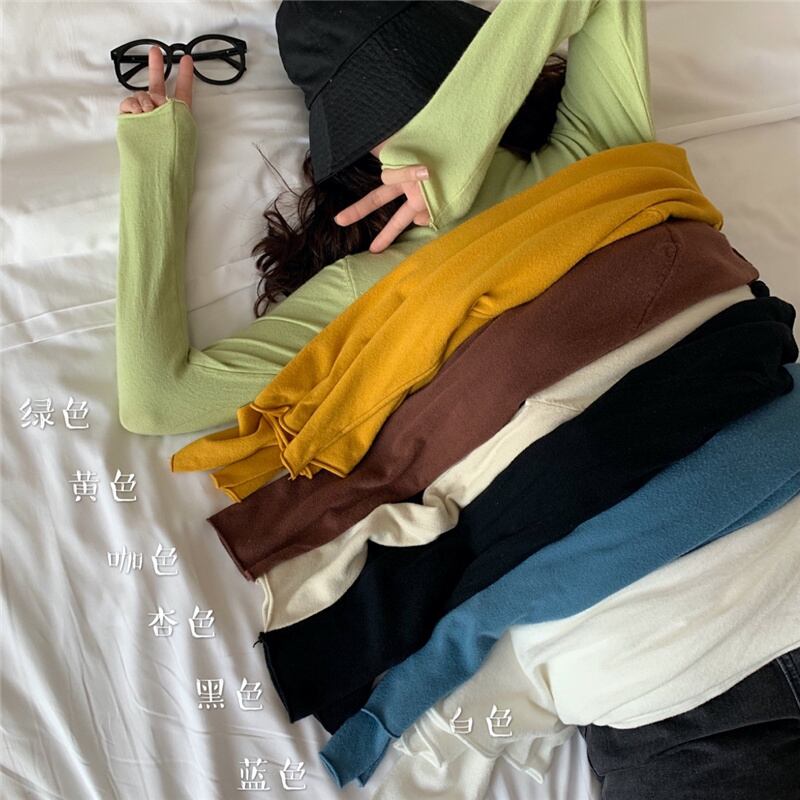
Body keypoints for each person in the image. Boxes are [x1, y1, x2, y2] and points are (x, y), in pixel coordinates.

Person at [114, 0, 648, 436]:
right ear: (357, 156)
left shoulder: (588, 148)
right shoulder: (371, 283)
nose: (416, 121)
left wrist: (451, 153)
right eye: (384, 113)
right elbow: (158, 401)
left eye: (439, 92)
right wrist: (157, 166)